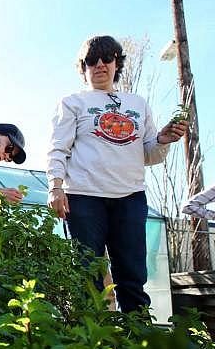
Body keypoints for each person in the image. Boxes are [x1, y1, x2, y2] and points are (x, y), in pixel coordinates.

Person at [46, 35, 187, 313]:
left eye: (106, 58)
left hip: (130, 198)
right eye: (91, 60)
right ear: (83, 67)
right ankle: (93, 342)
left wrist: (163, 140)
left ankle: (138, 337)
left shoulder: (137, 103)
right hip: (84, 198)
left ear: (116, 63)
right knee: (89, 275)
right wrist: (55, 186)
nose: (99, 65)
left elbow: (148, 154)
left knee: (132, 275)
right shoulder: (72, 102)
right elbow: (57, 148)